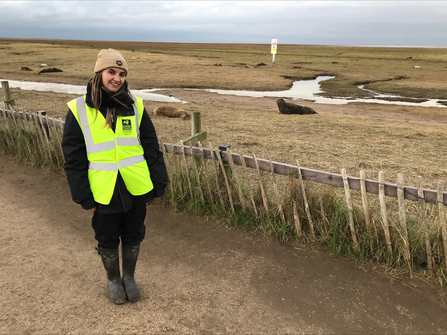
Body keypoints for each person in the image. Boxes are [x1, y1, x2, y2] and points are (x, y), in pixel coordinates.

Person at [61, 49, 169, 304]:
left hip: (136, 185)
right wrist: (83, 196)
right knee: (107, 236)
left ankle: (129, 277)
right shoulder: (78, 109)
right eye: (112, 72)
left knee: (134, 232)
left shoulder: (136, 105)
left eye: (122, 74)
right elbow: (73, 158)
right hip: (104, 189)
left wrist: (159, 180)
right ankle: (112, 279)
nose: (117, 78)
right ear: (99, 74)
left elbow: (151, 147)